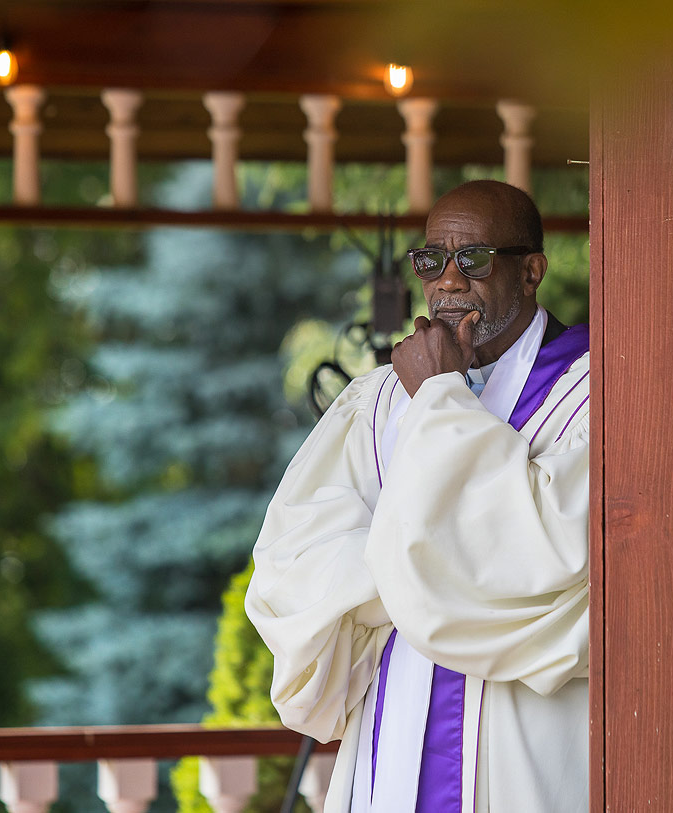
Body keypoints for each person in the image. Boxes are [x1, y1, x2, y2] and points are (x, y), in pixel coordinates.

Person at [245, 180, 590, 812]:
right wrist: (414, 566)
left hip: (525, 750)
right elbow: (289, 563)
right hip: (394, 732)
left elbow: (547, 553)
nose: (448, 282)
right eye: (431, 262)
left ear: (531, 270)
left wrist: (440, 398)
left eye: (475, 260)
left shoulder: (596, 389)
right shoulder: (379, 398)